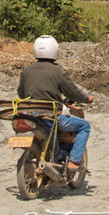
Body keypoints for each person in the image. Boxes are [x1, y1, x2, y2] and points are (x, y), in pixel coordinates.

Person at [17, 35, 93, 172]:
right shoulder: (58, 71)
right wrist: (86, 99)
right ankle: (74, 161)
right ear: (54, 50)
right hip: (51, 116)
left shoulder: (26, 71)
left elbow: (21, 94)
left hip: (30, 115)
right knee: (85, 127)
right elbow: (72, 92)